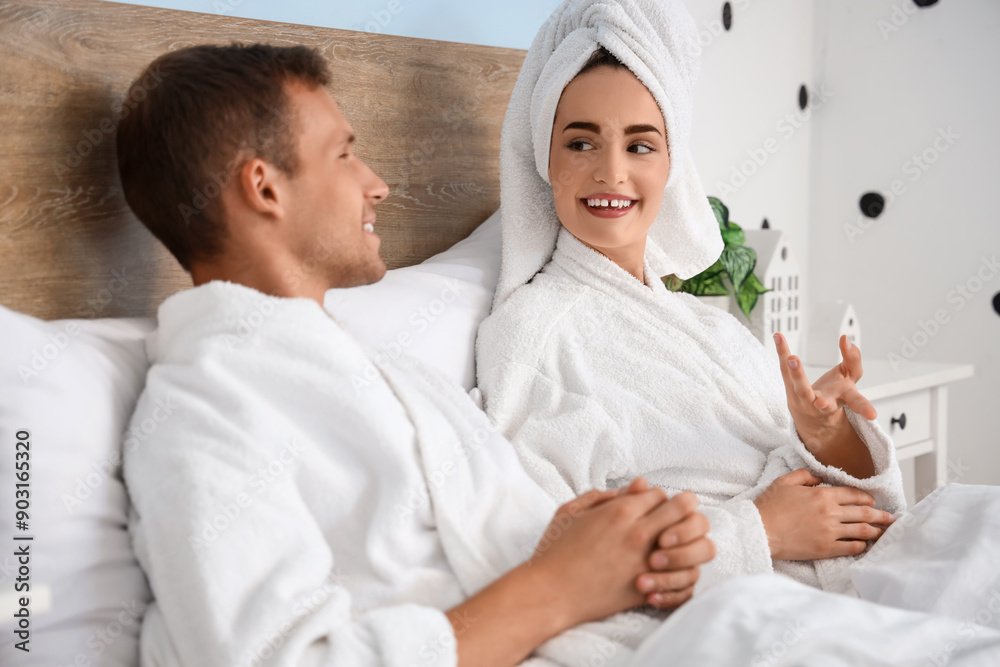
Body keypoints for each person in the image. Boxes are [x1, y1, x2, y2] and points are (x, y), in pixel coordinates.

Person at [115, 42, 717, 666]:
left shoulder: (392, 376)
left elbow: (484, 547)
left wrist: (602, 544)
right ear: (265, 188)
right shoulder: (202, 417)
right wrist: (560, 586)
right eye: (344, 154)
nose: (375, 185)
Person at [475, 0, 904, 595]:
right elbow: (550, 545)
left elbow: (862, 511)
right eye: (580, 143)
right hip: (747, 599)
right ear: (544, 159)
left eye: (641, 145)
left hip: (848, 575)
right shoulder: (530, 334)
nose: (611, 172)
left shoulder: (713, 328)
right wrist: (758, 532)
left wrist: (827, 437)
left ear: (673, 162)